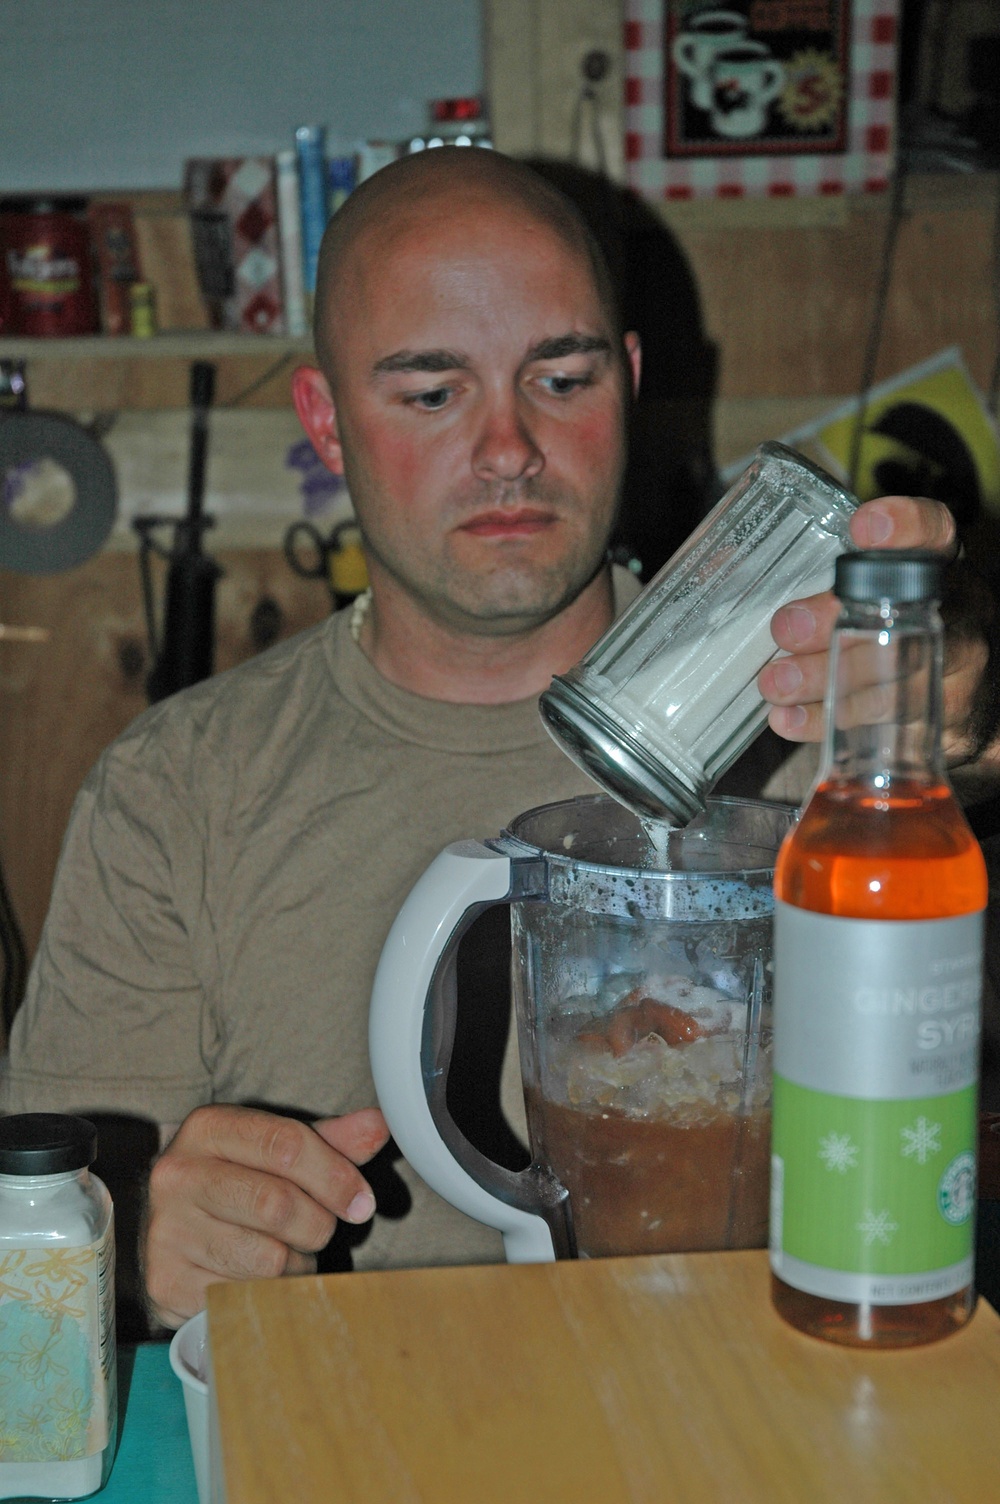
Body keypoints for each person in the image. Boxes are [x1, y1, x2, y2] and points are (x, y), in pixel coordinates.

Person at [1, 148, 994, 1333]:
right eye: (432, 393)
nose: (510, 446)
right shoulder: (175, 795)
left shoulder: (821, 713)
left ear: (627, 383)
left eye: (562, 379)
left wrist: (967, 712)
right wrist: (123, 1257)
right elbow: (34, 1264)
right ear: (324, 420)